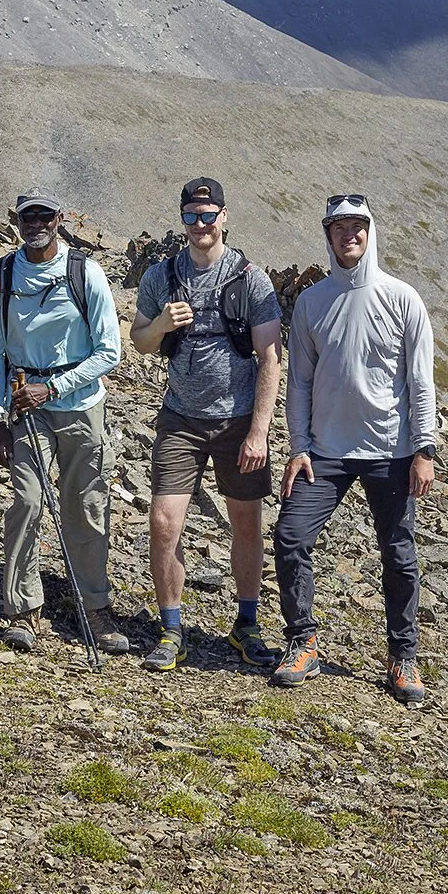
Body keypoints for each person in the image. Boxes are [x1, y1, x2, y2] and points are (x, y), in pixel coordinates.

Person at [271, 193, 437, 706]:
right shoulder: (312, 302)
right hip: (326, 452)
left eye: (358, 225)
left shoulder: (403, 298)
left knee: (399, 553)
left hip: (391, 449)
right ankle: (303, 642)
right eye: (340, 227)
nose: (350, 235)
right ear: (327, 235)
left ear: (371, 230)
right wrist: (298, 446)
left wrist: (424, 448)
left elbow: (421, 379)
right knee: (290, 534)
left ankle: (402, 656)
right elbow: (297, 381)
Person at [128, 178, 282, 673]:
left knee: (245, 524)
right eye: (192, 215)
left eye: (208, 215)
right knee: (163, 522)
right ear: (182, 219)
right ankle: (172, 629)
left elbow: (270, 359)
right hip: (181, 418)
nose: (201, 224)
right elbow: (141, 342)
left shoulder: (249, 280)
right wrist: (161, 326)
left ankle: (246, 623)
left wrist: (259, 431)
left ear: (224, 216)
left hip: (238, 422)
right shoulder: (162, 276)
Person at [0, 191, 127, 656]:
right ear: (17, 221)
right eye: (29, 216)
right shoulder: (3, 275)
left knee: (85, 504)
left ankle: (94, 606)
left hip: (80, 405)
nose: (37, 223)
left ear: (61, 219)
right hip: (27, 406)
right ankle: (23, 609)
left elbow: (109, 351)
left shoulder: (86, 272)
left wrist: (55, 387)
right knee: (26, 500)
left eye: (45, 215)